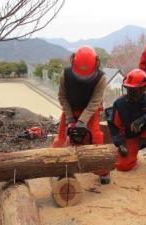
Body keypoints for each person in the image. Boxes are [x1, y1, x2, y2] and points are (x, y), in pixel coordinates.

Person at [52, 45, 110, 184]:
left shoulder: (101, 78)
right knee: (61, 138)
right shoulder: (65, 74)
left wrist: (82, 121)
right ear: (73, 62)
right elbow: (62, 97)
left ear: (96, 64)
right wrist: (70, 119)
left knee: (95, 136)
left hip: (91, 110)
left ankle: (102, 170)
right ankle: (58, 167)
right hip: (70, 109)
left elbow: (95, 101)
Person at [107, 69, 146, 179]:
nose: (130, 93)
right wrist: (119, 144)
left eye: (134, 90)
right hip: (131, 135)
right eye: (128, 89)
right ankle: (133, 151)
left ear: (143, 88)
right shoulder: (119, 103)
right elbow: (113, 125)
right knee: (123, 166)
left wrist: (145, 119)